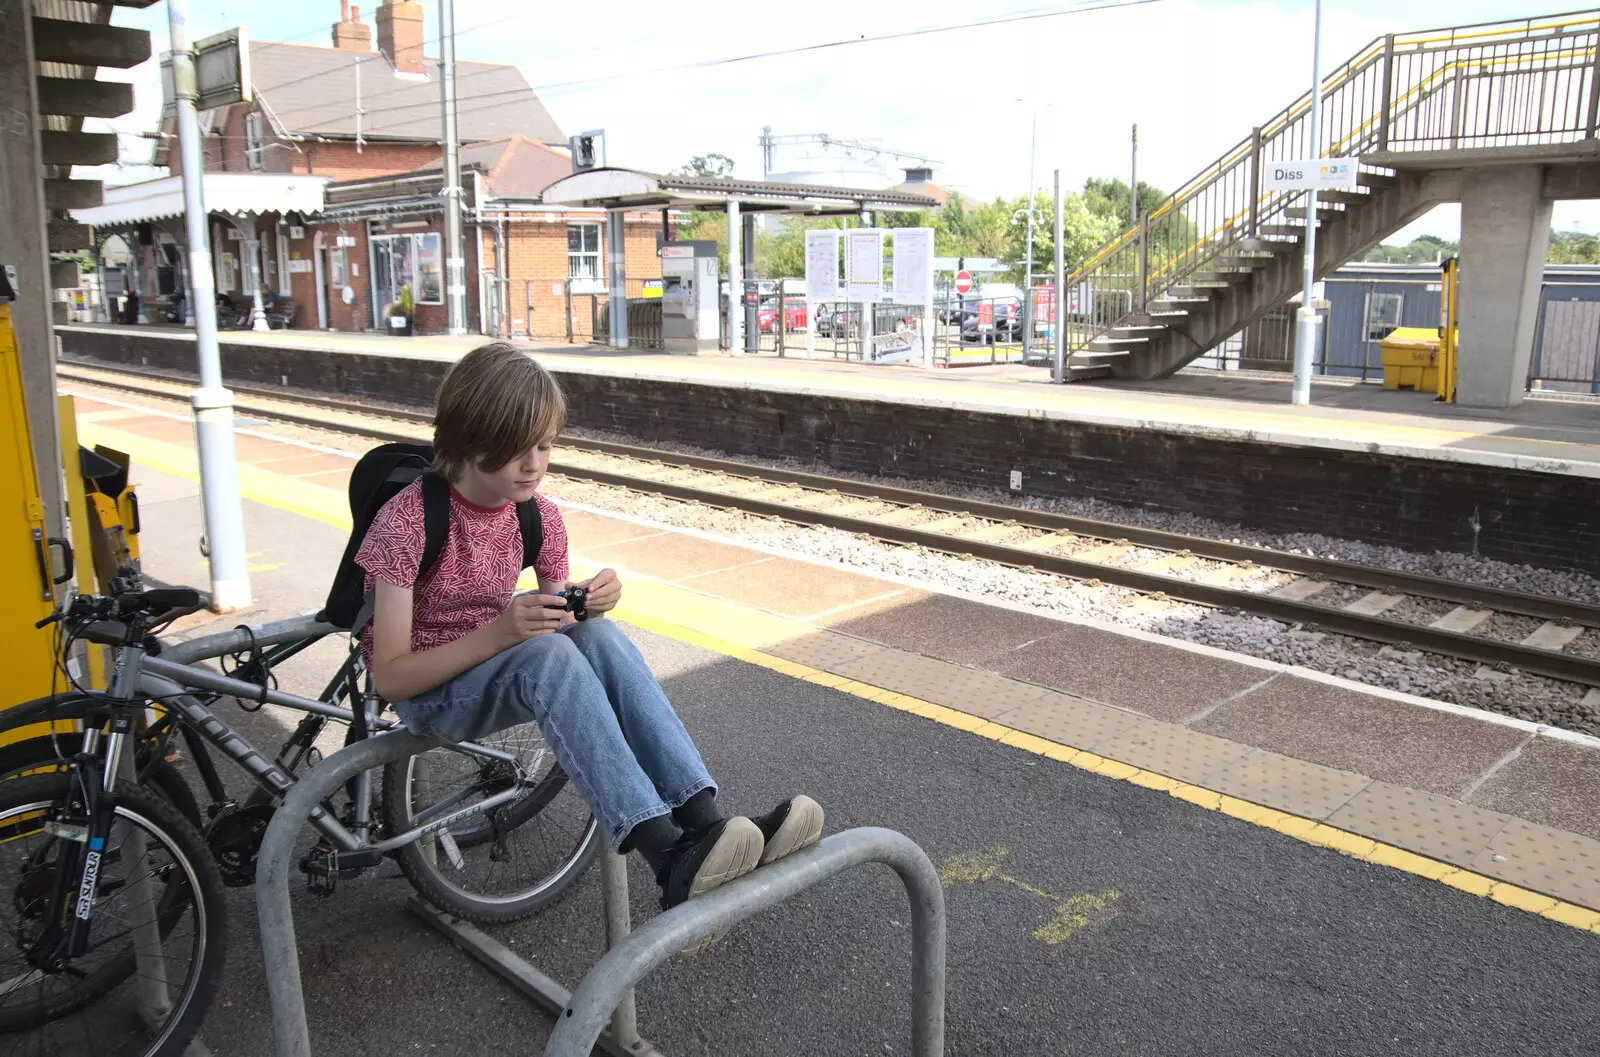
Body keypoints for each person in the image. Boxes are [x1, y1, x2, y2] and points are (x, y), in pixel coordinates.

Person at [357, 342, 824, 915]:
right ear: (467, 439)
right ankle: (666, 857)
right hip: (433, 693)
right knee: (548, 659)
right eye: (514, 449)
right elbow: (392, 679)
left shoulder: (537, 516)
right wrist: (504, 632)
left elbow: (555, 617)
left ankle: (705, 824)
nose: (534, 464)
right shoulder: (408, 520)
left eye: (545, 446)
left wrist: (586, 603)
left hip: (500, 666)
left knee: (598, 636)